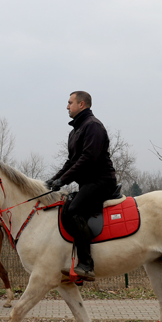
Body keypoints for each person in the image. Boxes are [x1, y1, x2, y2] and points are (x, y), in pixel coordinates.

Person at [46, 91, 117, 282]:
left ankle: (86, 264)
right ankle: (73, 262)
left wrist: (64, 181)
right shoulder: (75, 131)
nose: (67, 106)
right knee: (66, 207)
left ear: (82, 104)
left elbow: (88, 159)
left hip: (102, 181)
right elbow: (71, 162)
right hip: (88, 183)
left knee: (74, 209)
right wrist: (53, 181)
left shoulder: (93, 126)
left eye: (70, 102)